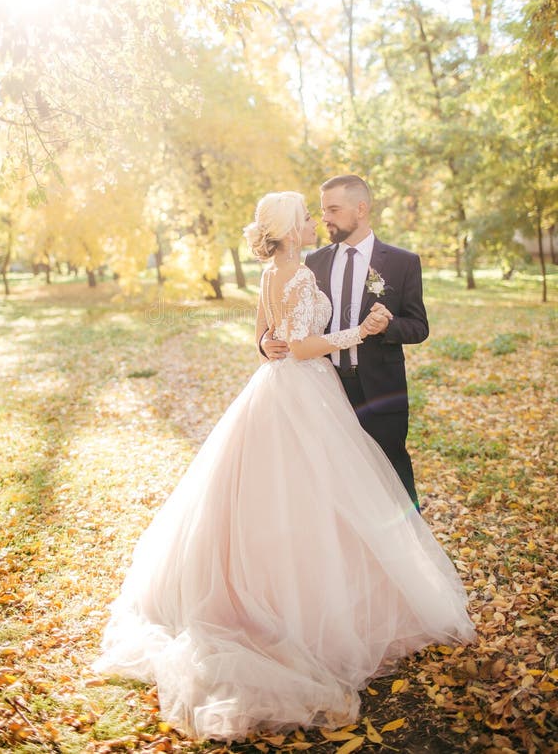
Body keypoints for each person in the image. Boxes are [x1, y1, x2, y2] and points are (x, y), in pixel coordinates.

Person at [93, 191, 475, 742]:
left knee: (335, 489)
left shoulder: (280, 269)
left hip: (298, 390)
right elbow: (293, 345)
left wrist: (276, 342)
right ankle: (323, 596)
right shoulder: (299, 270)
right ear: (290, 229)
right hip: (306, 388)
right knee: (313, 490)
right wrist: (355, 332)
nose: (315, 222)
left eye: (324, 212)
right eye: (306, 216)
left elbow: (266, 334)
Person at [262, 175, 427, 509]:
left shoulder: (401, 262)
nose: (325, 218)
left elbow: (419, 326)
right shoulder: (313, 261)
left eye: (333, 210)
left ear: (361, 209)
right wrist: (266, 342)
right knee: (334, 486)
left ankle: (411, 552)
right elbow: (285, 320)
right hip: (324, 391)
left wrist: (387, 326)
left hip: (381, 388)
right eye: (322, 211)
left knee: (393, 475)